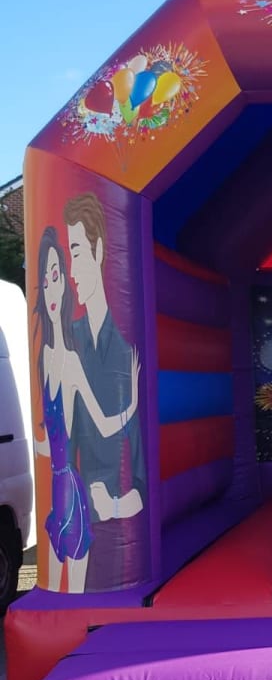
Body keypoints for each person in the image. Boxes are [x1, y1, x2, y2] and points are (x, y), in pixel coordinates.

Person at [33, 227, 141, 592]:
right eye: (45, 280)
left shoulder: (74, 362)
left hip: (72, 492)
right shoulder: (47, 357)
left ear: (64, 285)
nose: (52, 288)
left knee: (75, 589)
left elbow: (105, 425)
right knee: (56, 590)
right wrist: (35, 446)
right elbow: (52, 443)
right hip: (57, 491)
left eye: (56, 276)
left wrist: (132, 404)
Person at [63, 192, 146, 591]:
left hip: (116, 526)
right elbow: (66, 442)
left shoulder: (128, 346)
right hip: (80, 525)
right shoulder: (72, 340)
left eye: (77, 253)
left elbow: (142, 478)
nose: (72, 271)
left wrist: (113, 504)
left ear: (97, 253)